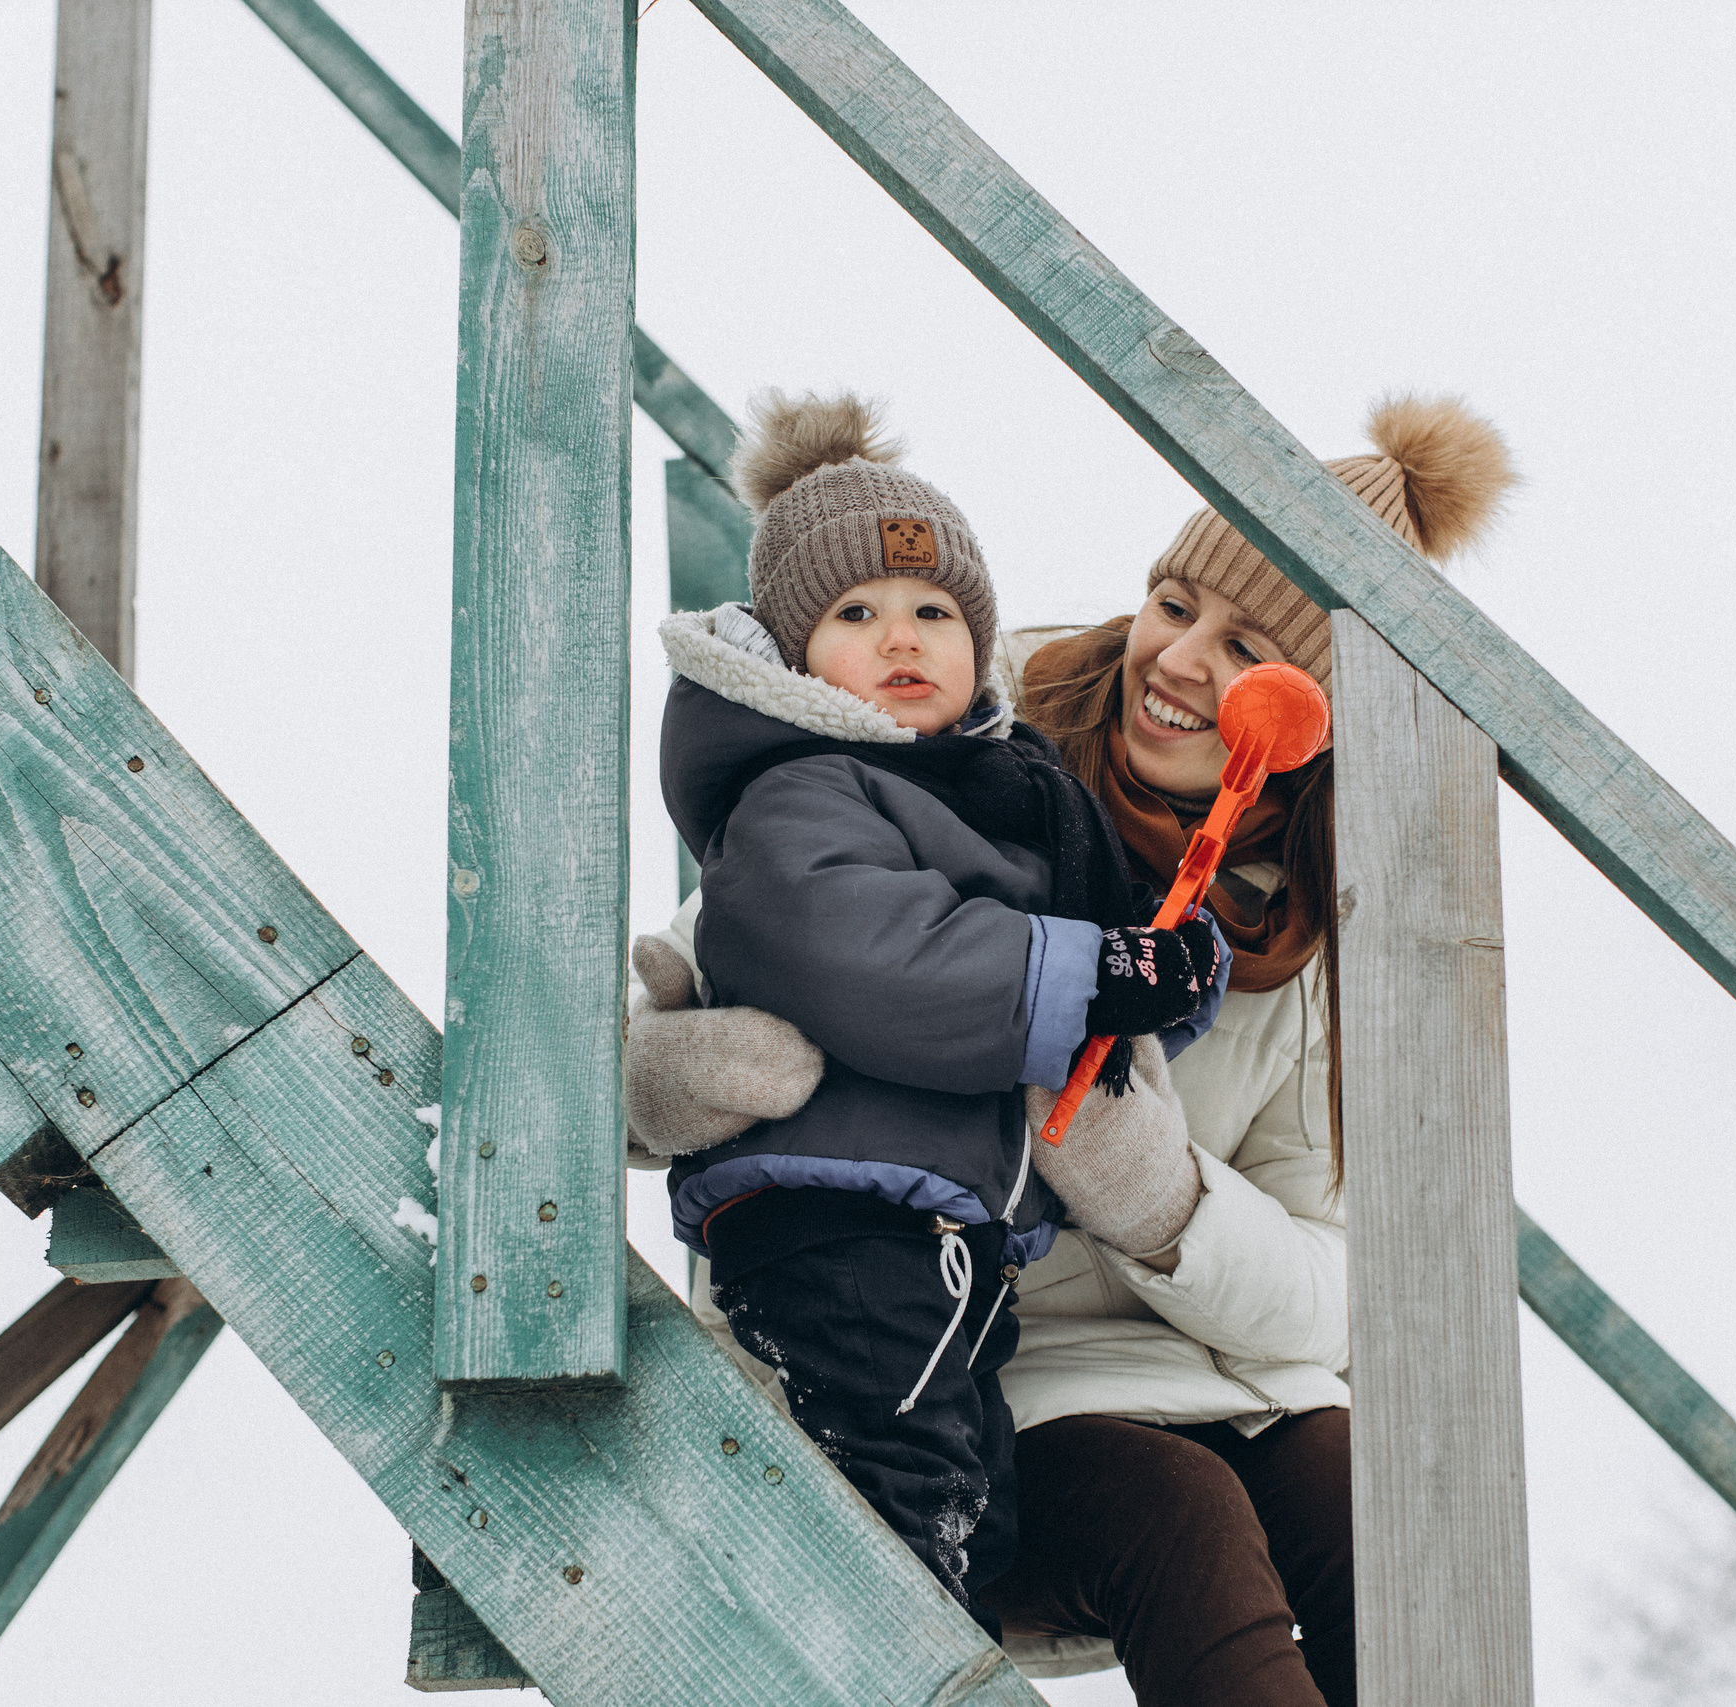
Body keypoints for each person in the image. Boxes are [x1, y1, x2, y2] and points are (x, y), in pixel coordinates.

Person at [631, 391, 1516, 1706]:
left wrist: (1167, 1201)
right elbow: (792, 920)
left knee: (1388, 1521)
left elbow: (1343, 1292)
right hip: (996, 1381)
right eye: (1176, 603)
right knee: (1183, 1511)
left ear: (1317, 710)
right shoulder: (984, 760)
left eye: (1248, 647)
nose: (1180, 658)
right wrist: (645, 1076)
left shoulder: (1328, 927)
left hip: (1245, 1377)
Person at [644, 390, 1228, 1632]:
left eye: (934, 614)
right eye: (856, 615)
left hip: (941, 1230)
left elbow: (1086, 937)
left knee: (971, 1513)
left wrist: (1168, 967)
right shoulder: (798, 790)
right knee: (911, 1513)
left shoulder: (991, 793)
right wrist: (1087, 974)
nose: (900, 638)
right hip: (839, 1219)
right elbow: (870, 958)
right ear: (795, 654)